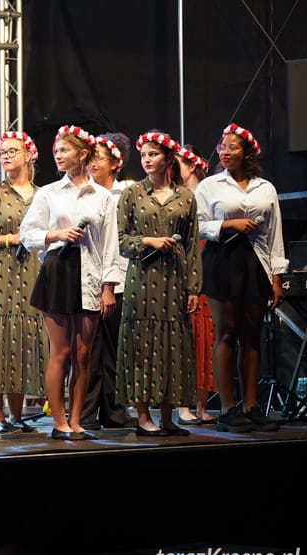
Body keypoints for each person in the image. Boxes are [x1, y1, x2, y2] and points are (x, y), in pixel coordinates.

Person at [19, 124, 120, 441]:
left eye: (64, 150)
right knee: (61, 352)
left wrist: (108, 287)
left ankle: (77, 421)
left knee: (83, 354)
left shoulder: (103, 197)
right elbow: (27, 233)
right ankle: (59, 421)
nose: (58, 155)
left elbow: (110, 244)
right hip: (58, 270)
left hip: (89, 273)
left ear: (83, 154)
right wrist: (56, 234)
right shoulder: (48, 193)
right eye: (56, 151)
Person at [195, 123, 286, 433]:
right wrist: (227, 225)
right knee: (227, 331)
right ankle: (227, 408)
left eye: (232, 147)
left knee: (252, 334)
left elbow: (274, 235)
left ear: (247, 152)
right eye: (222, 147)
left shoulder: (265, 188)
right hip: (222, 260)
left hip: (256, 262)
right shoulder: (210, 186)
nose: (225, 151)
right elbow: (197, 225)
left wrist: (277, 277)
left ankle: (251, 406)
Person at [115, 131, 200, 437]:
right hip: (142, 279)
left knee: (172, 346)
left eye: (153, 154)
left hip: (174, 280)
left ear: (168, 158)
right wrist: (148, 241)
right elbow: (122, 240)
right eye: (143, 155)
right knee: (141, 345)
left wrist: (193, 287)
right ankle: (142, 417)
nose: (147, 160)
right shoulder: (132, 194)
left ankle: (167, 418)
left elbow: (192, 245)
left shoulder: (186, 197)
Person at [0, 131, 47, 433]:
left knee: (24, 343)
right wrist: (6, 239)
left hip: (32, 275)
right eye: (2, 152)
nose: (5, 156)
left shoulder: (43, 195)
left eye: (12, 151)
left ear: (29, 155)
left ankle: (17, 416)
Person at [80, 132, 138, 430]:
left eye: (99, 158)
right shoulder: (83, 193)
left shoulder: (126, 195)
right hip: (88, 276)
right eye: (90, 158)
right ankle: (86, 411)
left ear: (116, 163)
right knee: (88, 349)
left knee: (115, 348)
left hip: (120, 277)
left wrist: (114, 283)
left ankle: (114, 410)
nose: (92, 164)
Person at [174, 144, 218, 426]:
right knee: (186, 339)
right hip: (183, 267)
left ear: (191, 166)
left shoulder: (208, 192)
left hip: (207, 263)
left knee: (206, 336)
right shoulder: (175, 196)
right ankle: (183, 405)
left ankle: (201, 405)